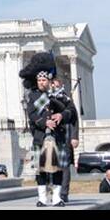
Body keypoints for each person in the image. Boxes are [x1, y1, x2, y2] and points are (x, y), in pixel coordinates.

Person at [27, 69, 69, 206]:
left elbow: (69, 110)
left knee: (57, 168)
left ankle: (56, 198)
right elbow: (32, 114)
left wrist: (61, 114)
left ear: (49, 81)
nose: (41, 83)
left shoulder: (58, 95)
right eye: (39, 80)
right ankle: (42, 199)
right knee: (40, 170)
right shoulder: (33, 96)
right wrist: (44, 122)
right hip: (41, 136)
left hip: (57, 136)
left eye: (43, 80)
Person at [50, 76, 79, 203]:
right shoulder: (45, 98)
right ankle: (54, 192)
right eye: (52, 84)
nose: (53, 86)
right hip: (49, 136)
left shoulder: (66, 99)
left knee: (64, 166)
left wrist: (74, 136)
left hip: (64, 136)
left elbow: (74, 117)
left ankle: (63, 193)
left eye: (55, 85)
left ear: (60, 85)